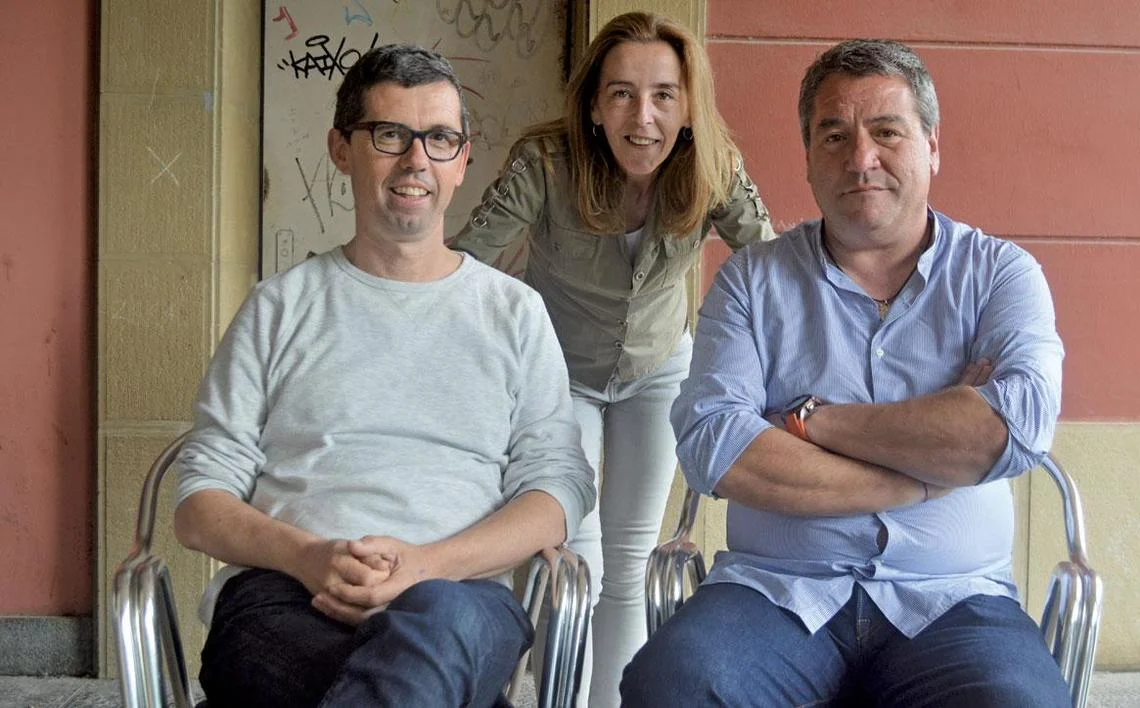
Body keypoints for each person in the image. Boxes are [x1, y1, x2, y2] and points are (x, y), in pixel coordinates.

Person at [622, 39, 1070, 707]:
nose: (861, 159)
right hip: (774, 593)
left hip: (954, 602)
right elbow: (716, 445)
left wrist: (813, 423)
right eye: (834, 136)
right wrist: (926, 476)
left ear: (931, 147)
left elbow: (1015, 429)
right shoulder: (751, 282)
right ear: (808, 158)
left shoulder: (999, 276)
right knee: (673, 686)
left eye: (887, 131)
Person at [172, 44, 595, 708]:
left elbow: (558, 489)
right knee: (421, 678)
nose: (416, 160)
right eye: (390, 135)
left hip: (457, 597)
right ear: (341, 149)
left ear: (462, 159)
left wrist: (427, 566)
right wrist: (308, 556)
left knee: (435, 637)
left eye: (439, 139)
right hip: (286, 596)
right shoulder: (280, 308)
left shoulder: (514, 314)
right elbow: (200, 501)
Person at [449, 11, 773, 706]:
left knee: (630, 560)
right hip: (559, 375)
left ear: (688, 107)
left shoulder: (713, 164)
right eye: (621, 93)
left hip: (658, 369)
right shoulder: (546, 161)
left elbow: (773, 271)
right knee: (577, 558)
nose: (642, 117)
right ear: (594, 105)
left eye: (663, 95)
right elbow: (465, 264)